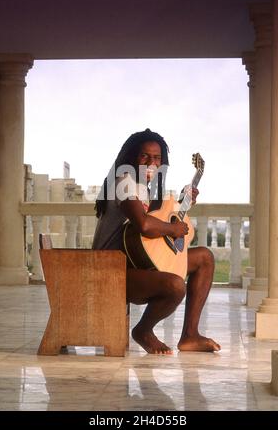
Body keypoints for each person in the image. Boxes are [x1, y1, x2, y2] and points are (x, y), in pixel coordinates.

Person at [92, 129, 221, 354]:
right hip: (111, 268)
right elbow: (144, 225)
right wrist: (173, 228)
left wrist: (184, 201)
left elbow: (156, 219)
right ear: (132, 157)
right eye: (145, 156)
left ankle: (190, 336)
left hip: (134, 261)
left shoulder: (142, 187)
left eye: (157, 158)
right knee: (174, 285)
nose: (152, 162)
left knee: (204, 258)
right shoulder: (124, 182)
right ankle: (143, 330)